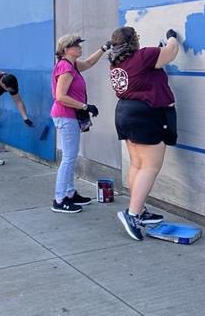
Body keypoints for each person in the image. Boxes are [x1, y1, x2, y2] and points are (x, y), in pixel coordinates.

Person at [108, 26, 179, 241]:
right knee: (150, 166)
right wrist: (172, 38)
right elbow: (171, 52)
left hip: (125, 113)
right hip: (146, 115)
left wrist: (156, 54)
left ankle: (138, 209)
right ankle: (132, 215)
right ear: (134, 41)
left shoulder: (116, 63)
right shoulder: (143, 56)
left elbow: (145, 74)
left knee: (138, 165)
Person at [50, 34, 111, 214]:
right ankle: (59, 199)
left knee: (71, 156)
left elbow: (89, 63)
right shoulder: (65, 67)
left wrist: (104, 48)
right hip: (66, 115)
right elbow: (60, 96)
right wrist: (85, 106)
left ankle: (70, 193)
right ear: (66, 49)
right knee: (69, 158)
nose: (79, 47)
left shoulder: (72, 65)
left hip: (70, 116)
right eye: (76, 45)